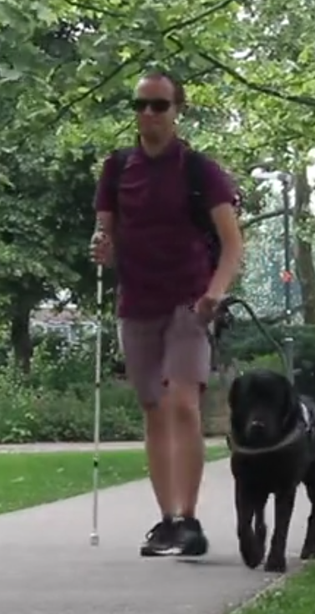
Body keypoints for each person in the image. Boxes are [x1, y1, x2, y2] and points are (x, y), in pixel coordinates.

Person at [91, 71, 245, 557]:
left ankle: (190, 519)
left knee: (182, 402)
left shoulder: (200, 170)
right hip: (136, 303)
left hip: (189, 301)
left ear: (178, 109)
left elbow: (232, 243)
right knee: (154, 411)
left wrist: (215, 292)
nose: (148, 114)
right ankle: (165, 522)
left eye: (159, 105)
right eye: (140, 105)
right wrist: (101, 248)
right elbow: (106, 241)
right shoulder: (117, 169)